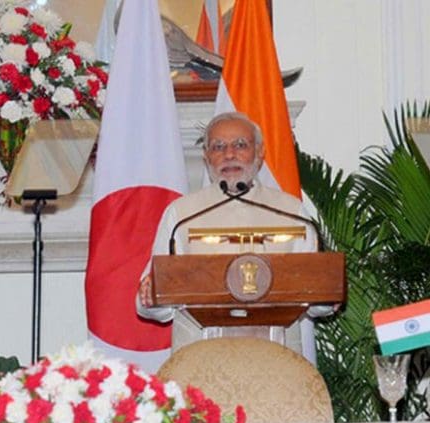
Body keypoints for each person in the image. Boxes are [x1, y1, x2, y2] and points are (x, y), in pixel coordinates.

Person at [137, 111, 331, 362]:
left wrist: (326, 298)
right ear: (207, 157)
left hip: (276, 361)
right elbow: (150, 304)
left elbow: (318, 301)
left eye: (240, 145)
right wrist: (151, 296)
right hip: (201, 359)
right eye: (219, 146)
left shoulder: (291, 210)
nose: (229, 154)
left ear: (260, 153)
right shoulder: (181, 214)